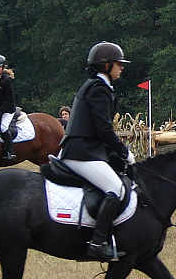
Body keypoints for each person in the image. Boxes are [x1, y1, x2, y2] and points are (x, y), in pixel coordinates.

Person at [58, 42, 136, 261]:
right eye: (118, 64)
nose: (121, 68)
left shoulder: (96, 85)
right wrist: (123, 152)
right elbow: (103, 129)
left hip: (86, 149)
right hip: (82, 152)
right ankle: (97, 242)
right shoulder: (99, 89)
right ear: (106, 65)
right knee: (116, 189)